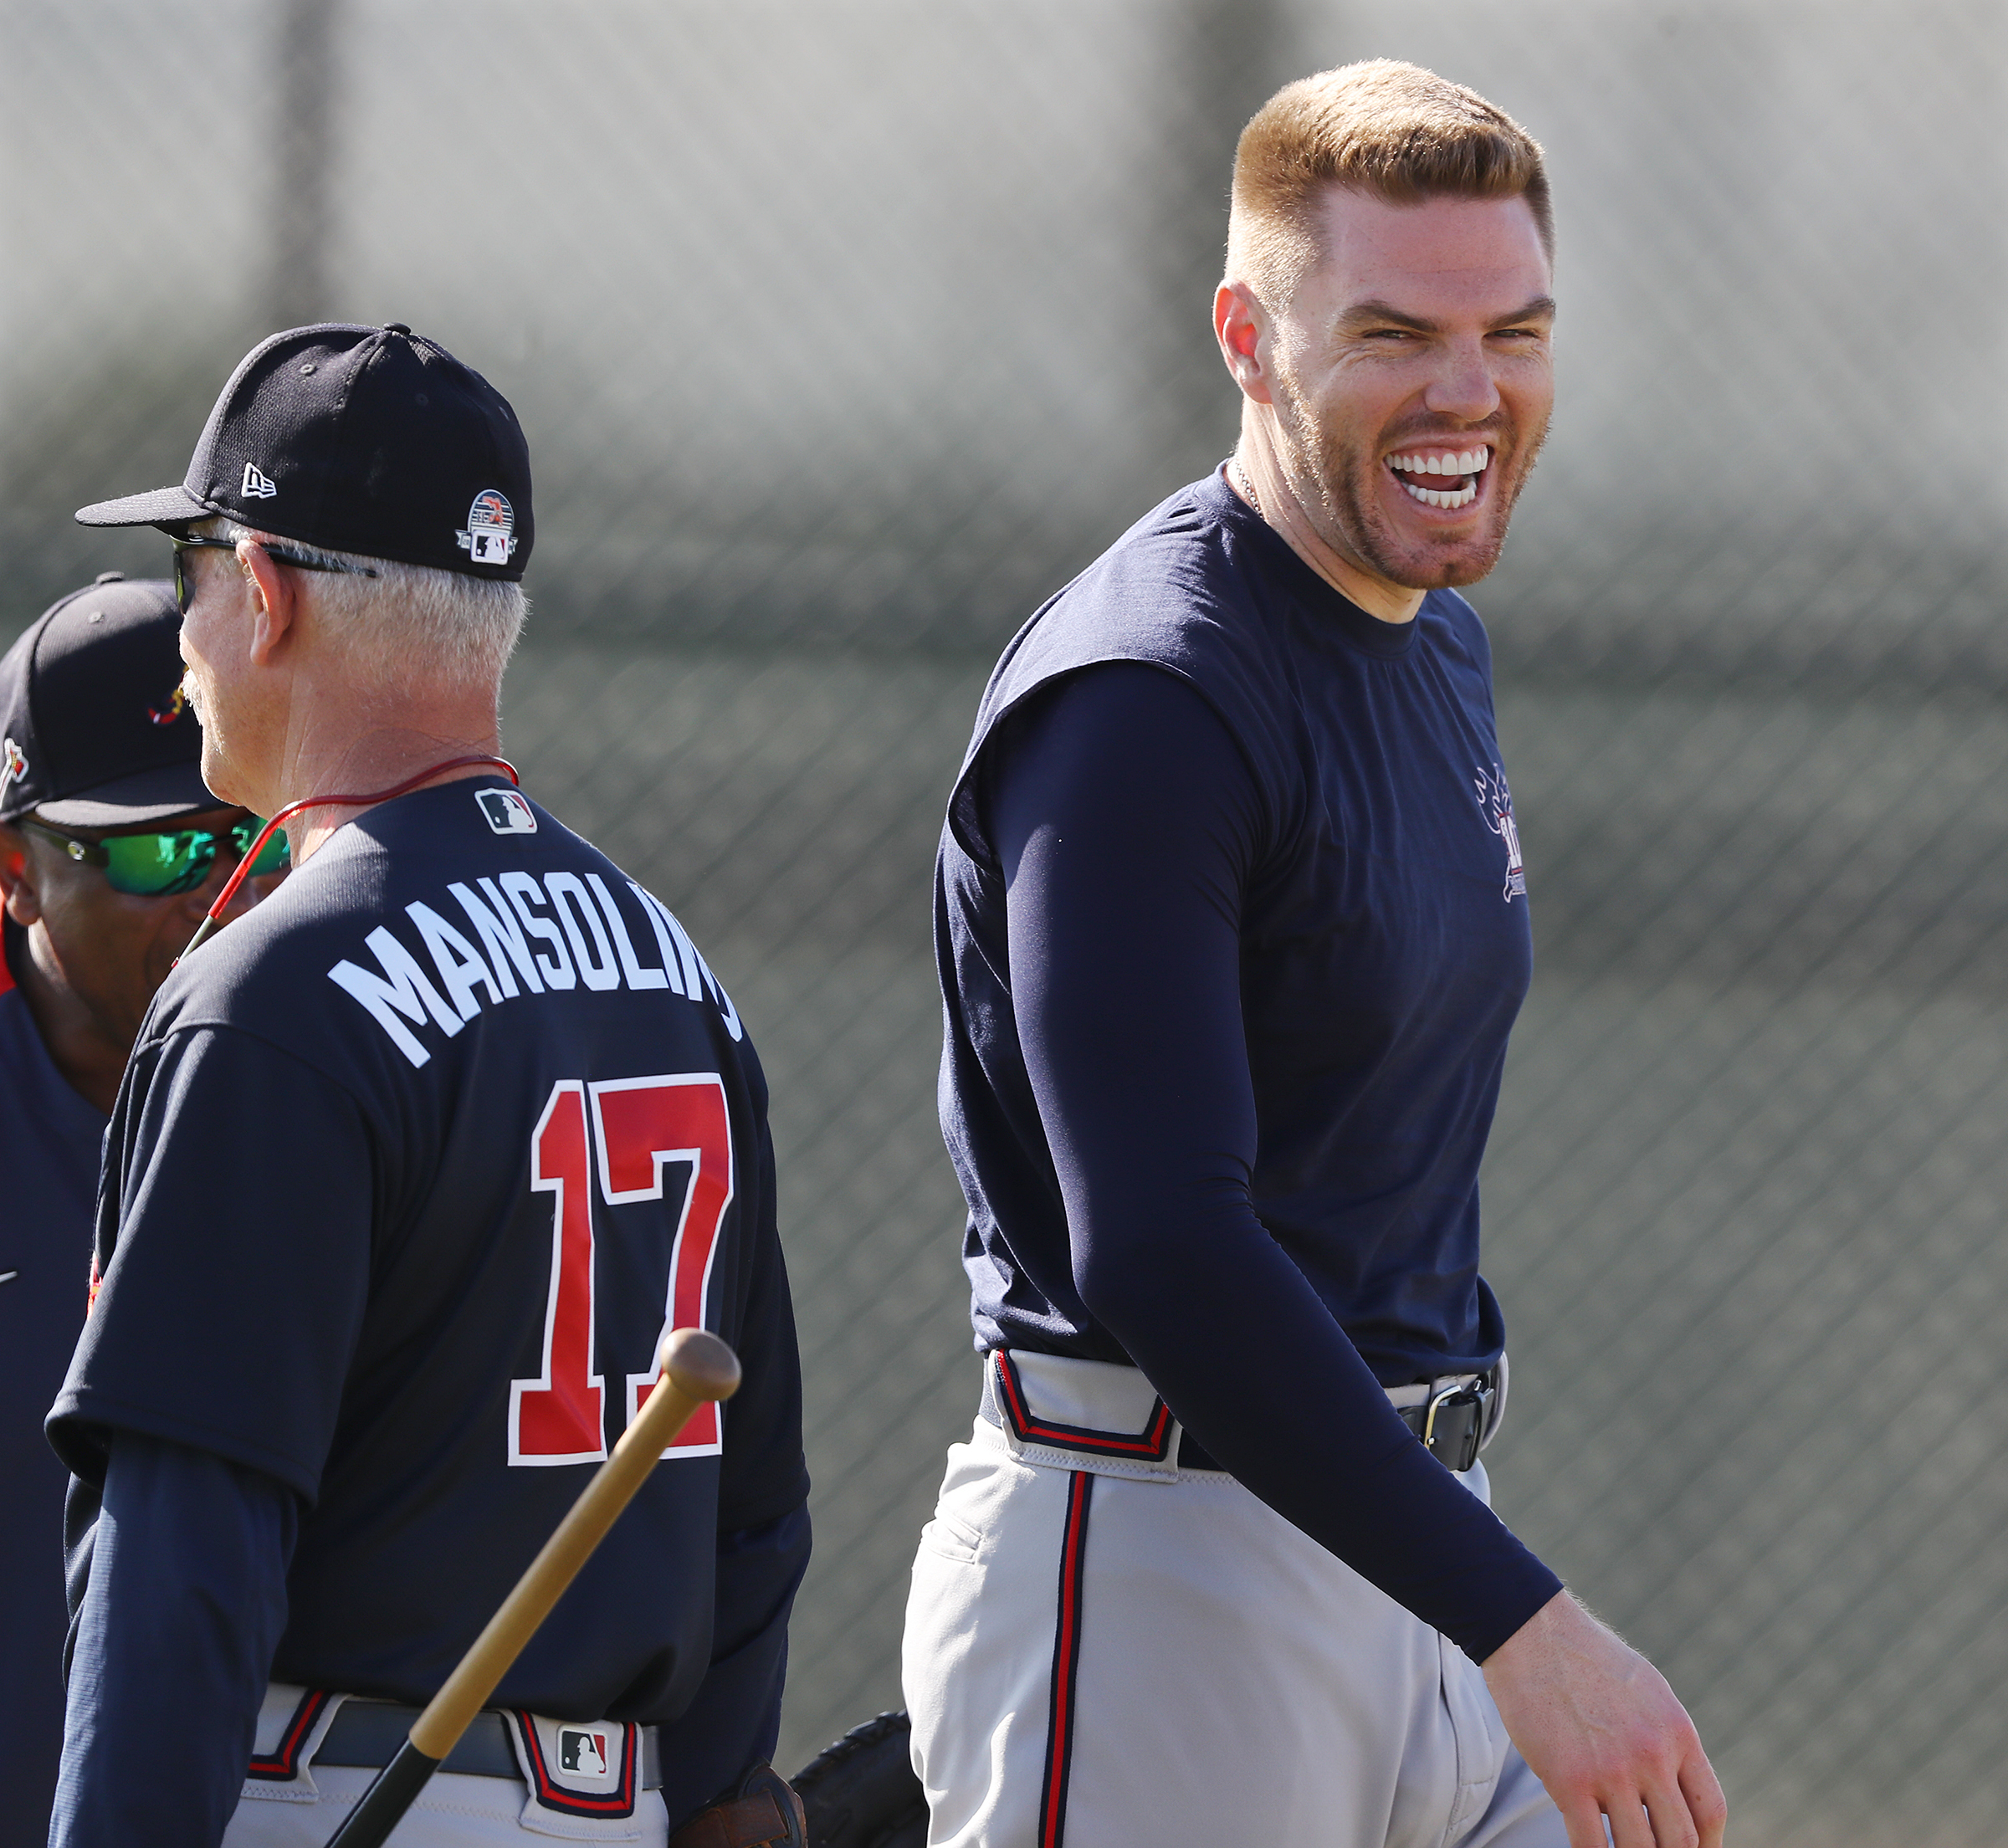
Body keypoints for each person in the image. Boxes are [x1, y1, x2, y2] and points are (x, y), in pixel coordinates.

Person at [904, 60, 1728, 1848]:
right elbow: (1163, 1241)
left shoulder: (1432, 634)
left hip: (1413, 1539)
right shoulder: (1147, 699)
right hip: (1166, 1575)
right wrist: (1527, 1621)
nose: (1468, 390)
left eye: (1514, 329)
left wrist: (1476, 1594)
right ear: (1247, 335)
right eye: (1393, 331)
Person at [47, 321, 812, 1848]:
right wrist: (720, 1789)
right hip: (615, 1807)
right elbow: (757, 1498)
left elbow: (188, 1542)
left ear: (261, 593)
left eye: (193, 568)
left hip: (340, 1795)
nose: (183, 632)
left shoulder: (267, 993)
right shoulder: (672, 968)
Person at [0, 577, 284, 1848]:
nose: (216, 892)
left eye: (246, 842)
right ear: (15, 871)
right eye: (160, 848)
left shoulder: (327, 1092)